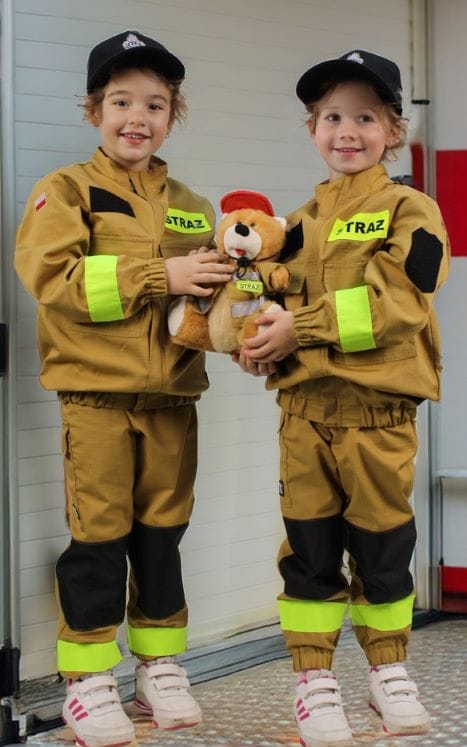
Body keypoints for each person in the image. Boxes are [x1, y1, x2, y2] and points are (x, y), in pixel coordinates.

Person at [15, 29, 234, 747]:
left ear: (173, 114)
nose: (137, 117)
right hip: (97, 397)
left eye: (155, 104)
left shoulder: (193, 206)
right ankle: (87, 678)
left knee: (163, 537)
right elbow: (54, 279)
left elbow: (204, 305)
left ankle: (159, 666)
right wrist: (159, 275)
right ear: (93, 110)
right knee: (100, 537)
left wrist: (241, 314)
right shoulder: (66, 191)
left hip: (173, 398)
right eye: (120, 102)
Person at [237, 50, 450, 746]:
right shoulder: (294, 225)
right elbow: (261, 302)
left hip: (377, 417)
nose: (346, 132)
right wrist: (250, 336)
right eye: (331, 117)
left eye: (365, 117)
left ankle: (388, 673)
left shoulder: (409, 210)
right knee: (309, 551)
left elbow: (398, 301)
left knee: (383, 548)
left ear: (393, 131)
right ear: (311, 129)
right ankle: (313, 682)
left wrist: (296, 329)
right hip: (303, 417)